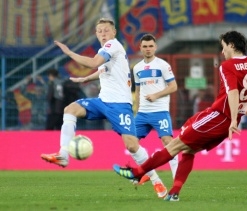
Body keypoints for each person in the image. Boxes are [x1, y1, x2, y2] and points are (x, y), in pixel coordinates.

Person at [113, 30, 247, 201]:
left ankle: (137, 172)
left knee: (175, 145)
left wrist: (232, 120)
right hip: (225, 119)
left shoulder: (228, 66)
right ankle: (174, 193)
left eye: (224, 47)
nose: (222, 51)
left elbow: (232, 92)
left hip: (219, 117)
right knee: (189, 149)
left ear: (232, 46)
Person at [40, 18, 167, 198]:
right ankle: (63, 154)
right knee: (70, 109)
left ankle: (156, 181)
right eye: (99, 31)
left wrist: (69, 52)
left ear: (113, 33)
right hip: (102, 101)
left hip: (120, 105)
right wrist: (85, 79)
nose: (103, 33)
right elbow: (102, 70)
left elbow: (94, 63)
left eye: (106, 30)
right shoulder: (109, 51)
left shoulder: (112, 45)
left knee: (132, 146)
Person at [133, 34, 178, 185]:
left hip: (160, 111)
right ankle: (147, 174)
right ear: (140, 48)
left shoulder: (163, 65)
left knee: (168, 142)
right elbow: (138, 91)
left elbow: (173, 87)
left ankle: (177, 178)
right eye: (145, 46)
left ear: (155, 47)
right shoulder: (137, 68)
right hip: (142, 113)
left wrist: (156, 95)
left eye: (150, 46)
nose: (148, 49)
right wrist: (137, 110)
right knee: (131, 143)